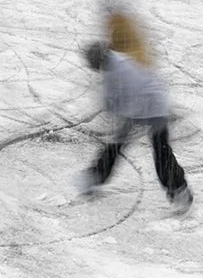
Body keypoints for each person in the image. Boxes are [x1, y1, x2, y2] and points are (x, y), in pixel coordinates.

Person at [77, 40, 193, 213]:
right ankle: (94, 177)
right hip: (140, 108)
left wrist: (124, 119)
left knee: (161, 152)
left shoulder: (122, 70)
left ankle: (179, 192)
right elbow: (113, 95)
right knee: (115, 146)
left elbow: (139, 92)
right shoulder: (112, 66)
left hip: (154, 109)